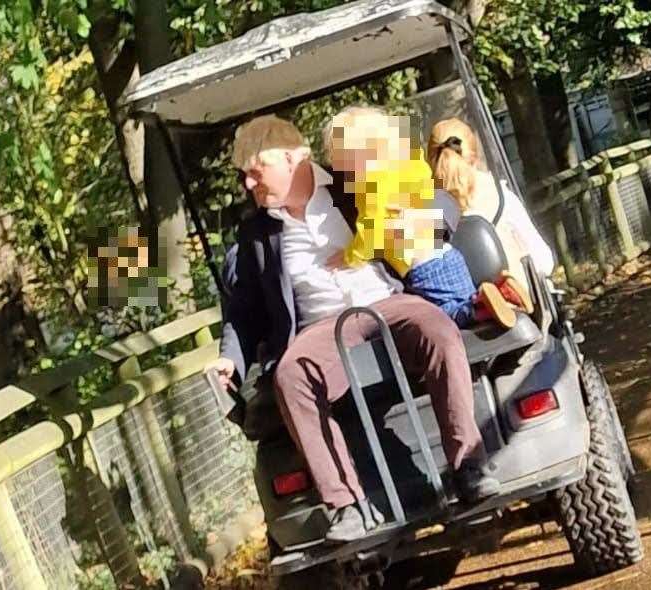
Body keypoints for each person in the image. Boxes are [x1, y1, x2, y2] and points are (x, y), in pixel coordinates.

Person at [208, 114, 498, 544]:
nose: (249, 185)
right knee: (291, 375)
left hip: (388, 301)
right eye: (244, 177)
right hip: (321, 327)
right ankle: (345, 505)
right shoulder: (256, 236)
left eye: (256, 172)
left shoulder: (352, 185)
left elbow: (438, 207)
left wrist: (423, 227)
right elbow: (244, 311)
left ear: (293, 159)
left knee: (437, 328)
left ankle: (468, 465)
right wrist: (231, 358)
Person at [325, 106, 527, 328]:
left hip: (422, 265)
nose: (341, 172)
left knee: (447, 315)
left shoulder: (373, 189)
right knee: (462, 297)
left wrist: (350, 257)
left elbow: (370, 231)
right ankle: (502, 293)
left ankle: (483, 308)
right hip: (447, 253)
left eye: (343, 163)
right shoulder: (407, 169)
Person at [427, 118, 554, 300]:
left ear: (430, 162)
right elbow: (543, 261)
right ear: (475, 157)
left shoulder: (422, 212)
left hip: (459, 318)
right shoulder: (499, 195)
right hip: (517, 305)